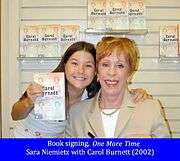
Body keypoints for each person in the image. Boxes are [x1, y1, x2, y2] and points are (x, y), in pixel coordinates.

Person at [11, 41, 151, 138]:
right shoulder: (47, 84)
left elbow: (115, 90)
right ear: (64, 64)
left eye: (88, 65)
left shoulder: (91, 97)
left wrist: (136, 92)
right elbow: (14, 115)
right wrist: (29, 101)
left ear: (95, 71)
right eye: (74, 63)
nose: (80, 71)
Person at [65, 37, 171, 138]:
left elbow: (168, 154)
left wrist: (150, 147)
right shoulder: (76, 113)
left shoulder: (150, 108)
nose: (112, 72)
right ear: (97, 71)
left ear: (129, 72)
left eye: (120, 65)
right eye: (105, 64)